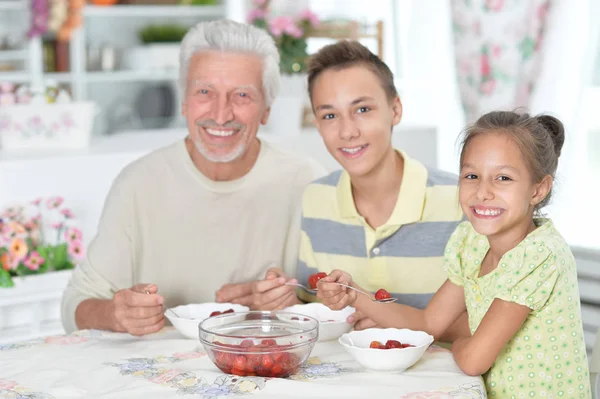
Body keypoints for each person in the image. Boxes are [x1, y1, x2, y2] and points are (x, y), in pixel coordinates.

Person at [61, 19, 324, 336]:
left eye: (241, 95)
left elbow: (343, 305)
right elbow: (75, 304)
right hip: (156, 375)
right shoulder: (138, 183)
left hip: (265, 369)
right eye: (204, 92)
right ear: (184, 100)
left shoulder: (307, 182)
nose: (221, 114)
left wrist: (289, 306)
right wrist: (114, 314)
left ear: (266, 109)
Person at [318, 110, 592, 397]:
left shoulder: (539, 255)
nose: (483, 192)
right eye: (472, 175)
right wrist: (355, 294)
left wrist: (462, 341)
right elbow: (428, 324)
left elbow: (473, 360)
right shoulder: (472, 243)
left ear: (538, 189)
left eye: (503, 178)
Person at [251, 40, 468, 339]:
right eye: (330, 115)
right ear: (316, 123)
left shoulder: (462, 201)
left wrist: (397, 320)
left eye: (362, 109)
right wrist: (286, 300)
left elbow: (493, 322)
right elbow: (315, 305)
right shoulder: (316, 198)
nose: (347, 131)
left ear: (395, 110)